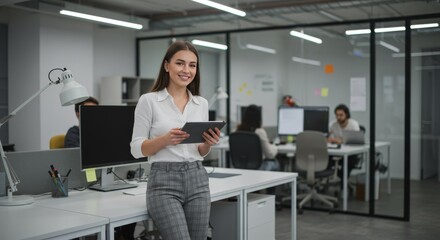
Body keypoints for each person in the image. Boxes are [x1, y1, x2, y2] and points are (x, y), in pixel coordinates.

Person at [130, 40, 221, 240]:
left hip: (197, 179)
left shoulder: (201, 103)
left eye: (192, 65)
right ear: (166, 65)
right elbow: (136, 149)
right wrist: (165, 140)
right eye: (180, 63)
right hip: (163, 182)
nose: (186, 70)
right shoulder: (149, 101)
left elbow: (200, 152)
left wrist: (208, 142)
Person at [64, 96, 136, 240]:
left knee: (130, 209)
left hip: (108, 185)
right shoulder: (73, 134)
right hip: (84, 186)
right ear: (78, 113)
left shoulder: (105, 132)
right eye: (89, 111)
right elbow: (82, 157)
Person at [236, 104, 280, 171]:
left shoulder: (237, 131)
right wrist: (275, 147)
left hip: (242, 167)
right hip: (259, 167)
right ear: (259, 118)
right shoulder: (259, 132)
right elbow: (270, 154)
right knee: (275, 162)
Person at [327, 104, 361, 189]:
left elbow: (357, 140)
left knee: (348, 163)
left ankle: (343, 184)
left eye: (341, 115)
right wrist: (331, 139)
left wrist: (341, 140)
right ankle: (341, 179)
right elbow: (326, 137)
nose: (338, 117)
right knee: (326, 160)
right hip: (337, 152)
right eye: (337, 115)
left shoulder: (353, 124)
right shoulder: (333, 124)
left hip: (351, 154)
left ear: (347, 115)